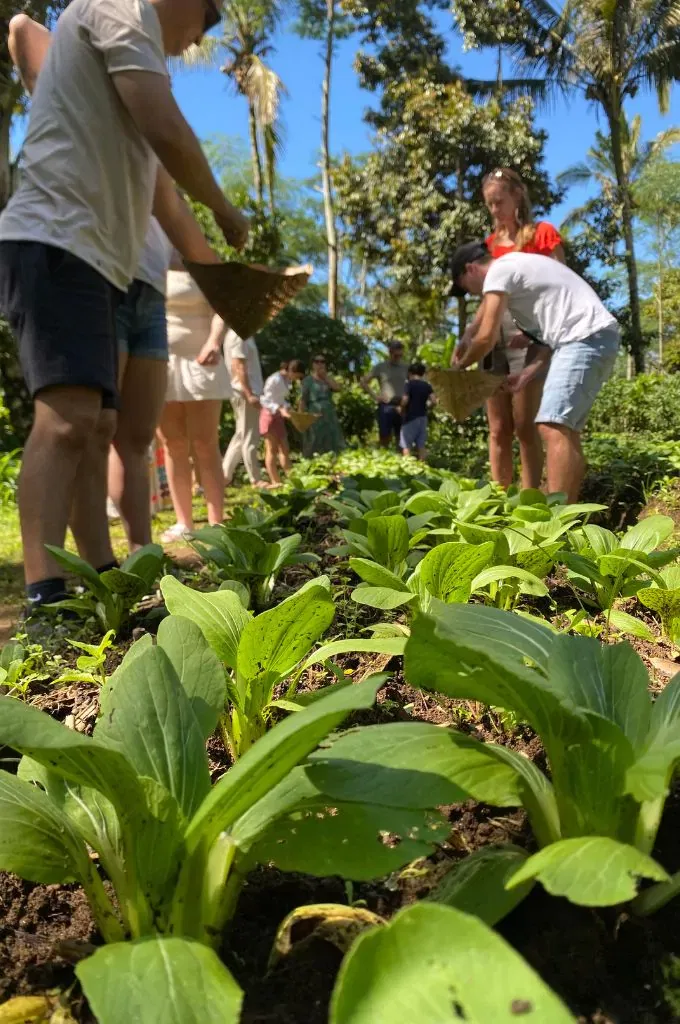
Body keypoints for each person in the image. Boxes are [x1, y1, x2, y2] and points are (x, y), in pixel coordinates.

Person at [1, 0, 248, 612]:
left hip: (95, 260)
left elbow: (164, 197)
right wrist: (224, 205)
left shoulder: (124, 68)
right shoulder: (120, 7)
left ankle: (102, 574)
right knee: (64, 422)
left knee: (96, 424)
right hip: (57, 239)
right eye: (202, 25)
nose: (192, 43)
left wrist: (228, 278)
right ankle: (45, 594)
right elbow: (167, 128)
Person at [450, 240, 620, 502]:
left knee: (552, 425)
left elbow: (486, 337)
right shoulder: (523, 284)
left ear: (470, 269)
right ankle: (567, 515)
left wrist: (460, 369)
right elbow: (548, 345)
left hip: (584, 337)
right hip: (588, 338)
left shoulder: (499, 269)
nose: (474, 295)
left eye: (466, 288)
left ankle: (556, 518)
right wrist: (525, 375)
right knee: (566, 430)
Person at [460, 168, 566, 490]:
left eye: (499, 201)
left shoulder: (541, 234)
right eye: (489, 204)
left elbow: (560, 285)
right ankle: (499, 498)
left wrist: (544, 334)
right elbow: (488, 298)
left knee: (524, 425)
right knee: (497, 426)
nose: (494, 210)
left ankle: (530, 497)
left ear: (517, 196)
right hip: (494, 335)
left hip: (529, 333)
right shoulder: (490, 245)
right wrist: (468, 334)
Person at [156, 255, 230, 541]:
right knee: (172, 444)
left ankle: (216, 523)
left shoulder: (200, 259)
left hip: (202, 362)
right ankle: (184, 522)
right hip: (161, 361)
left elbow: (220, 308)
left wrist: (214, 342)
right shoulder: (149, 256)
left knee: (205, 442)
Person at [223, 330, 266, 488]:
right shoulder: (238, 335)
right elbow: (238, 365)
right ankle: (256, 479)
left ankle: (224, 476)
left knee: (241, 435)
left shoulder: (243, 335)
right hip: (244, 392)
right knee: (250, 436)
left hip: (244, 391)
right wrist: (249, 394)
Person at [260, 360, 306, 486]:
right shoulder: (274, 379)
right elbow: (265, 399)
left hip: (279, 417)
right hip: (269, 415)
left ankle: (292, 480)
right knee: (271, 448)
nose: (296, 380)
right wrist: (280, 409)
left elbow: (281, 400)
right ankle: (275, 481)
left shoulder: (287, 381)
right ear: (292, 371)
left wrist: (287, 409)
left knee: (284, 448)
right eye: (297, 377)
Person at [361, 342, 408, 449]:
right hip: (386, 406)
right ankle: (383, 458)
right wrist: (375, 396)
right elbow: (364, 382)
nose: (398, 358)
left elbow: (414, 383)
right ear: (390, 353)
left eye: (400, 355)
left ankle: (401, 461)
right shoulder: (380, 367)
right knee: (384, 437)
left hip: (402, 406)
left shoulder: (405, 367)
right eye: (396, 355)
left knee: (402, 438)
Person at [300, 355, 344, 458]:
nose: (319, 364)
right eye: (317, 361)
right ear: (313, 364)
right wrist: (301, 417)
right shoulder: (308, 380)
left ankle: (333, 461)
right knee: (314, 439)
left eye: (322, 362)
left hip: (329, 412)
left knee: (331, 437)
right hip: (314, 411)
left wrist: (325, 377)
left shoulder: (328, 379)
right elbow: (302, 400)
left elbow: (337, 388)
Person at [399, 362, 435, 461]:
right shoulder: (427, 386)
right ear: (423, 373)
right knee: (421, 445)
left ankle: (407, 467)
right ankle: (423, 468)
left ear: (410, 373)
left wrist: (401, 409)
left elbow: (405, 400)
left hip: (410, 417)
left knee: (406, 445)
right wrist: (427, 407)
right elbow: (434, 401)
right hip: (423, 417)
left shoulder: (409, 384)